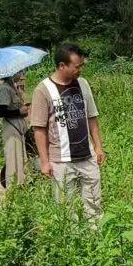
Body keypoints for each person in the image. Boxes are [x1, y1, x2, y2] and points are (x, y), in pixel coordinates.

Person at [31, 44, 105, 221]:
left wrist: (99, 147)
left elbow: (92, 117)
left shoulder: (83, 84)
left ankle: (95, 239)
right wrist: (44, 162)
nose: (80, 70)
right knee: (65, 209)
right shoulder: (43, 90)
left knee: (94, 204)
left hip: (87, 157)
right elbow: (39, 129)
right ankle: (72, 244)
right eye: (77, 66)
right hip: (61, 161)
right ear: (62, 66)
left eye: (81, 66)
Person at [0, 69, 30, 190]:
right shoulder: (4, 89)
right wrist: (19, 111)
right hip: (11, 129)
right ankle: (12, 187)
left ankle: (21, 184)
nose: (21, 75)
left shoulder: (14, 87)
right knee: (13, 157)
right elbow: (0, 112)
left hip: (19, 127)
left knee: (21, 157)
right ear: (11, 74)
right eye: (19, 72)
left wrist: (24, 111)